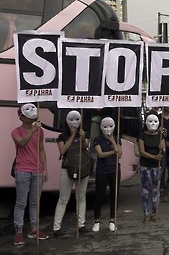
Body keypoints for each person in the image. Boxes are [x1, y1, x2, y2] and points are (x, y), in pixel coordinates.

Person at [11, 103, 49, 246]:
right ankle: (19, 231)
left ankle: (34, 229)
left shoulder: (40, 131)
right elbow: (22, 143)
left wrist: (45, 169)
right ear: (22, 117)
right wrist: (33, 130)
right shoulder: (16, 131)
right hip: (22, 170)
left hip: (37, 170)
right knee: (21, 202)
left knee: (35, 202)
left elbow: (41, 150)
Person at [53, 110, 91, 238]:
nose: (74, 123)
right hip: (67, 169)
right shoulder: (62, 137)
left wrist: (82, 137)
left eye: (77, 120)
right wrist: (72, 136)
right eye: (71, 120)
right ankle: (56, 228)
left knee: (81, 198)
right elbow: (62, 151)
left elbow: (86, 147)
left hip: (82, 169)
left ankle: (81, 225)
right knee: (63, 199)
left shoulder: (83, 134)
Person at [92, 117, 122, 232]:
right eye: (105, 127)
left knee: (114, 196)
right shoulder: (97, 140)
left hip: (114, 170)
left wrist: (113, 142)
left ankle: (112, 220)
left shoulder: (117, 139)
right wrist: (113, 152)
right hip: (102, 171)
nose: (108, 129)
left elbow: (120, 155)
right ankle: (97, 221)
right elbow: (100, 154)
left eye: (110, 126)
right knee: (99, 196)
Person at [138, 111, 165, 223]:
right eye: (150, 121)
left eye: (155, 121)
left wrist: (162, 147)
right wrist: (154, 157)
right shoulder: (142, 135)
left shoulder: (160, 135)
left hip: (156, 166)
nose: (152, 123)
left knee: (155, 190)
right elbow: (142, 152)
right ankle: (145, 213)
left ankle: (154, 213)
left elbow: (164, 150)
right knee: (145, 190)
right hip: (145, 165)